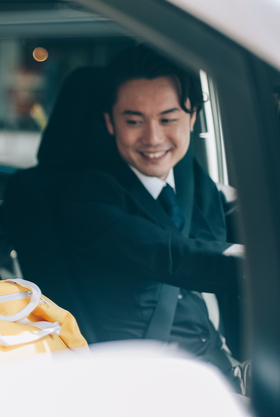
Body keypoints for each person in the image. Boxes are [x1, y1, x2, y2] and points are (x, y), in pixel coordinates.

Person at [62, 45, 248, 393]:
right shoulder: (90, 196)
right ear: (110, 122)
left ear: (192, 117)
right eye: (134, 121)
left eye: (168, 119)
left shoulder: (191, 174)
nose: (153, 138)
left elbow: (232, 210)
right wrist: (260, 266)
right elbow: (172, 254)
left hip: (222, 362)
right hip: (152, 382)